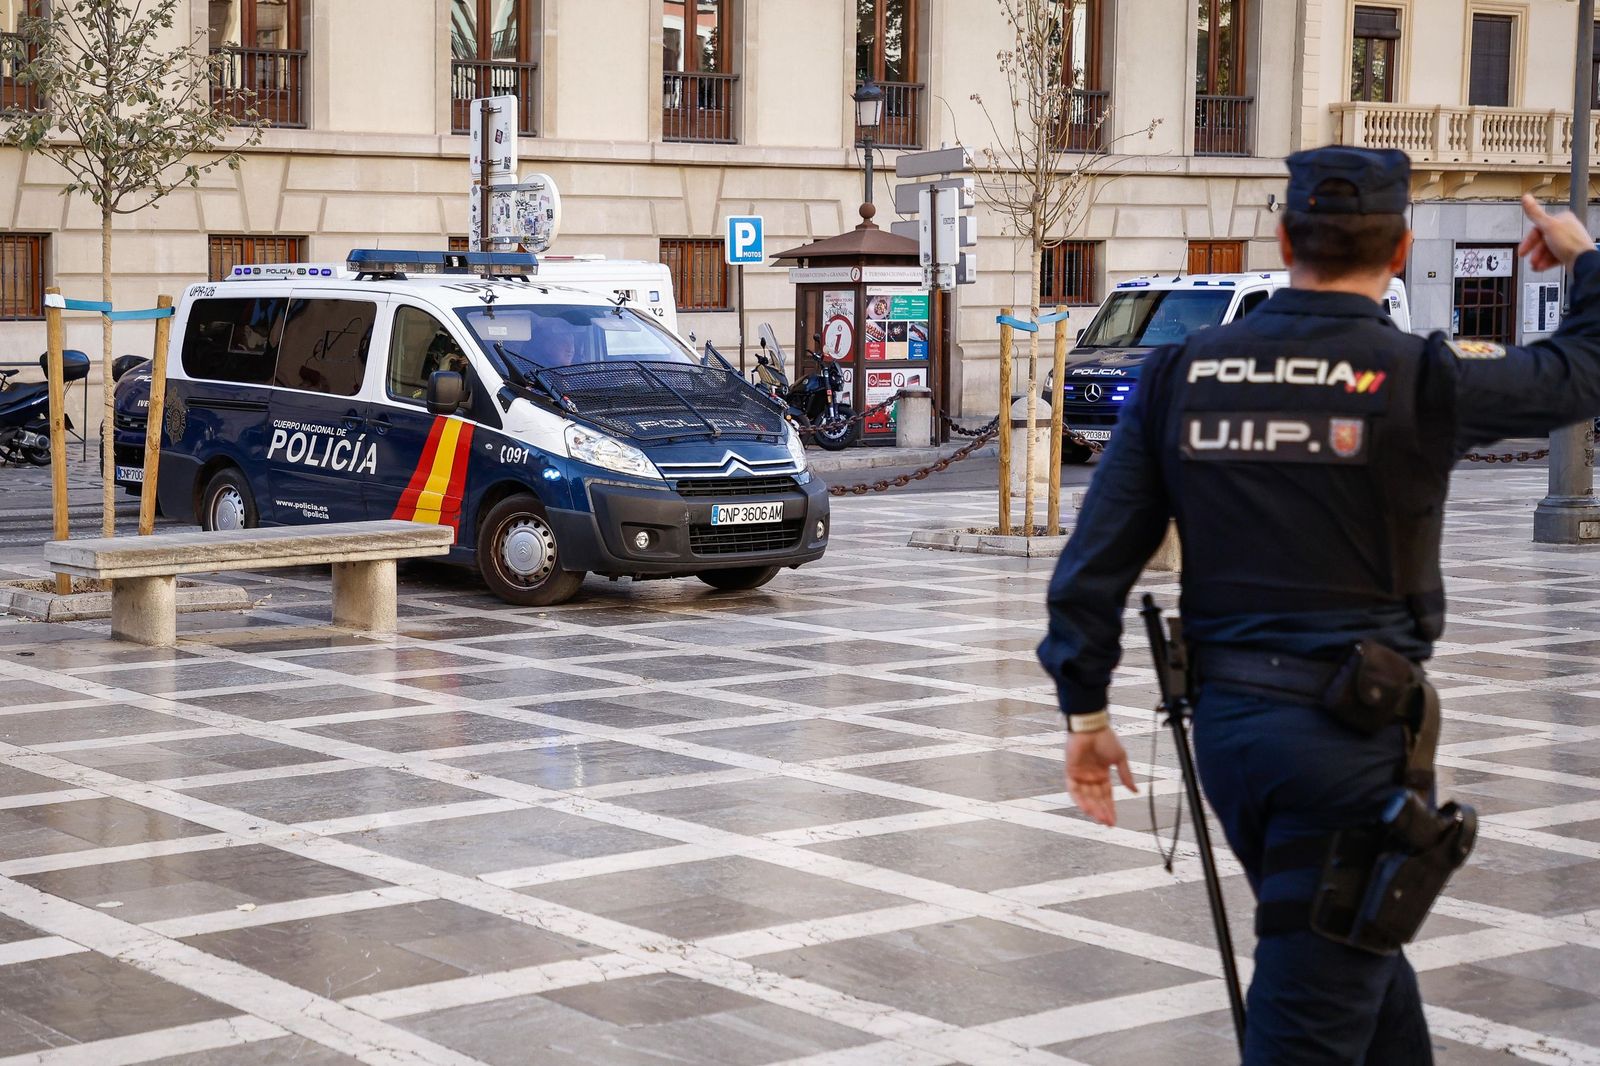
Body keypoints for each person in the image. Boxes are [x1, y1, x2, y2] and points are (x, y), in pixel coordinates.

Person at [1037, 145, 1600, 1064]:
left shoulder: (1184, 373)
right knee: (1312, 1014)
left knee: (1357, 966)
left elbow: (1092, 568)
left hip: (1230, 737)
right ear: (1404, 245)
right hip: (1347, 744)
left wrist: (1086, 710)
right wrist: (1583, 259)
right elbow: (1581, 370)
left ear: (1282, 235)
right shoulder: (1420, 376)